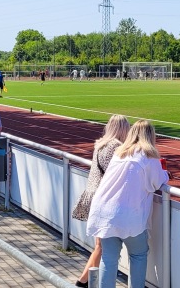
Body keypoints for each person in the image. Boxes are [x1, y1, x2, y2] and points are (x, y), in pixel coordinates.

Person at [86, 120, 170, 288]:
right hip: (129, 216)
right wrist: (165, 173)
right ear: (150, 136)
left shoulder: (119, 153)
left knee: (109, 259)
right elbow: (158, 181)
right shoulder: (149, 156)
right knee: (138, 255)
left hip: (104, 212)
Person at [72, 115, 130, 288]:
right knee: (102, 246)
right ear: (122, 129)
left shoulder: (101, 144)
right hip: (102, 198)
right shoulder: (115, 147)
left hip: (92, 194)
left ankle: (84, 280)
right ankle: (83, 281)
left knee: (100, 245)